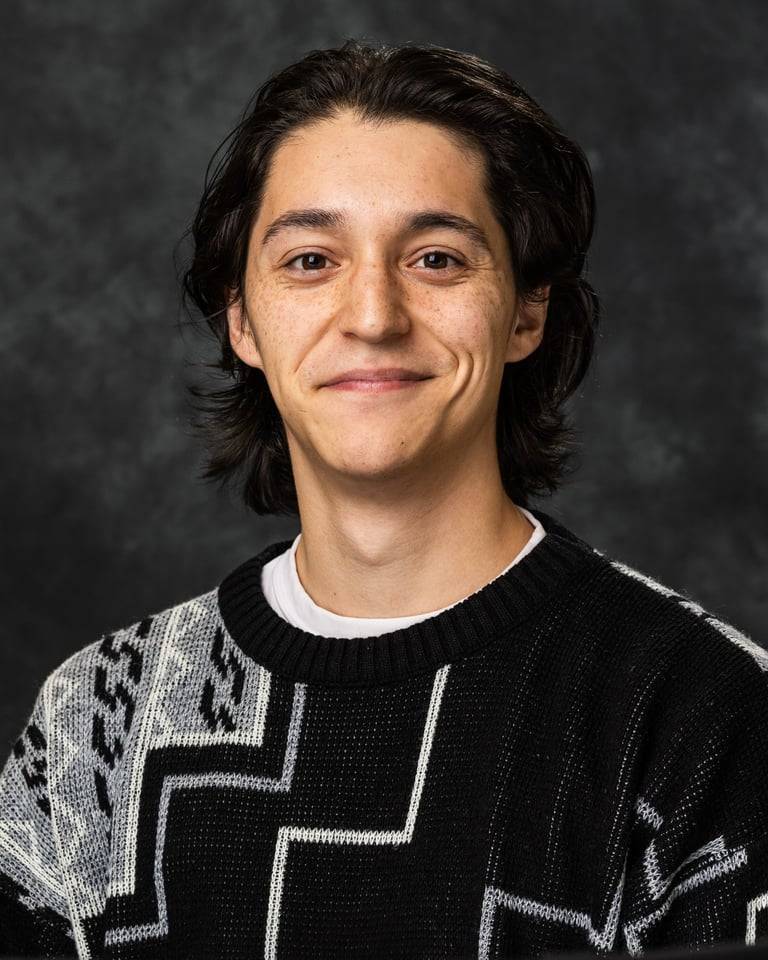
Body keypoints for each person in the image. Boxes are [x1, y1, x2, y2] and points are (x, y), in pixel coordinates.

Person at [1, 38, 766, 960]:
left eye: (437, 259)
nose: (373, 315)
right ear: (241, 318)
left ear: (526, 312)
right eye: (311, 261)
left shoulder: (704, 717)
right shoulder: (92, 725)